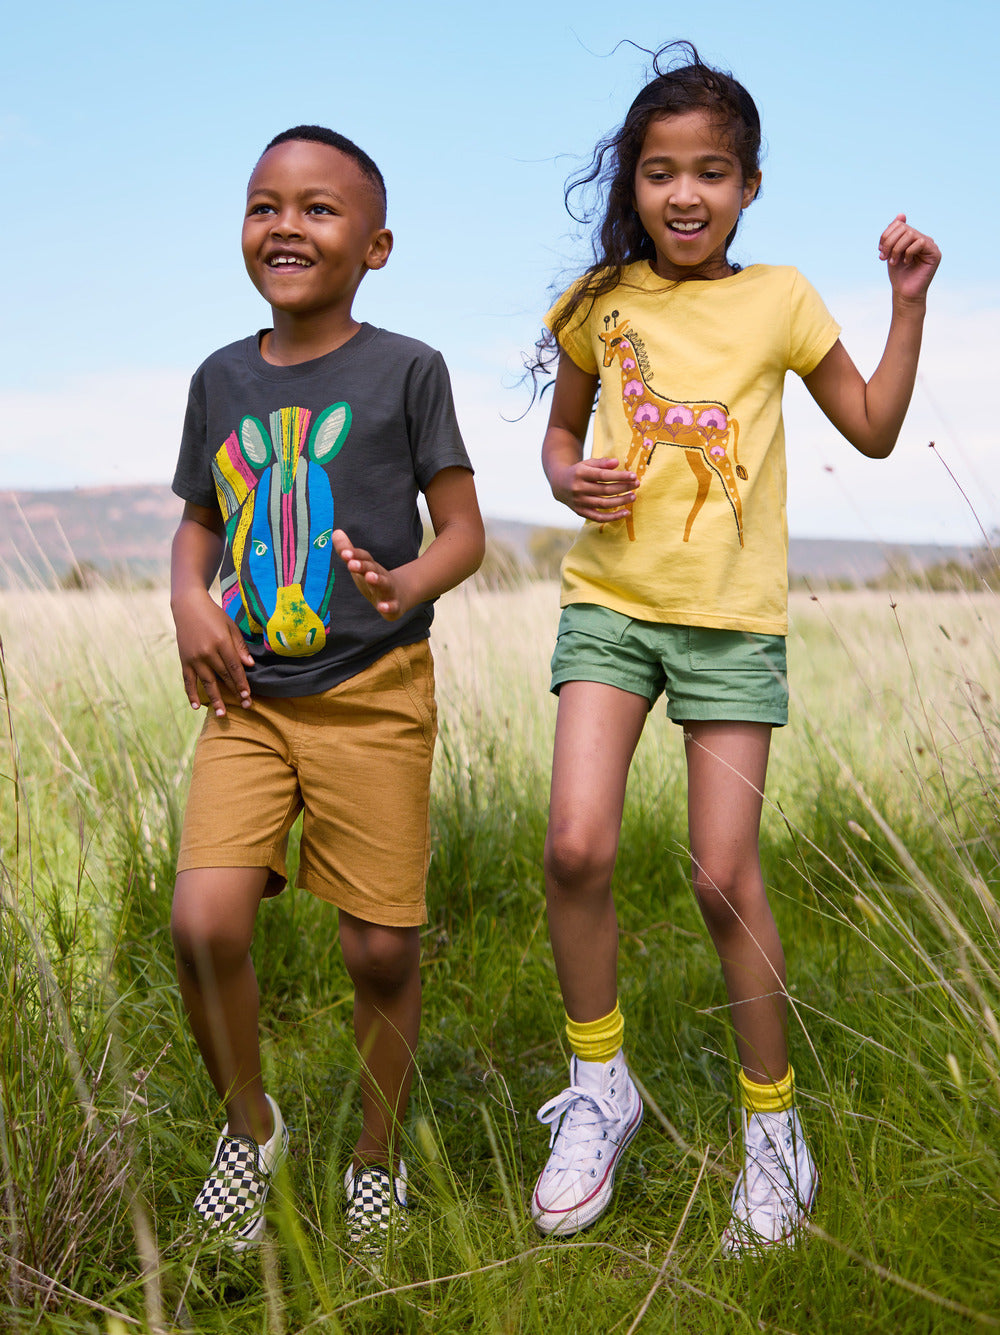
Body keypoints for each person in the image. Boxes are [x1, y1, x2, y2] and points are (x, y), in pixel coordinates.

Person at [529, 42, 939, 1252]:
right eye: (661, 172)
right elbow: (558, 440)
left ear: (749, 184)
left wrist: (904, 308)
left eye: (711, 171)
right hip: (608, 604)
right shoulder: (600, 303)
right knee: (573, 846)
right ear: (635, 182)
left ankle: (773, 1131)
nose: (685, 195)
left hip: (729, 622)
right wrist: (570, 479)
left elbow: (868, 428)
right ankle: (599, 1087)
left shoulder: (783, 298)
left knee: (720, 873)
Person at [169, 124, 484, 1259]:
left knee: (380, 952)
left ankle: (375, 1161)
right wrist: (188, 599)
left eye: (317, 208)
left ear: (377, 244)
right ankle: (252, 1134)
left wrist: (406, 584)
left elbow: (465, 530)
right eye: (265, 205)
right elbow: (200, 520)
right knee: (202, 921)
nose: (285, 226)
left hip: (373, 690)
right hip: (247, 699)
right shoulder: (221, 376)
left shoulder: (405, 370)